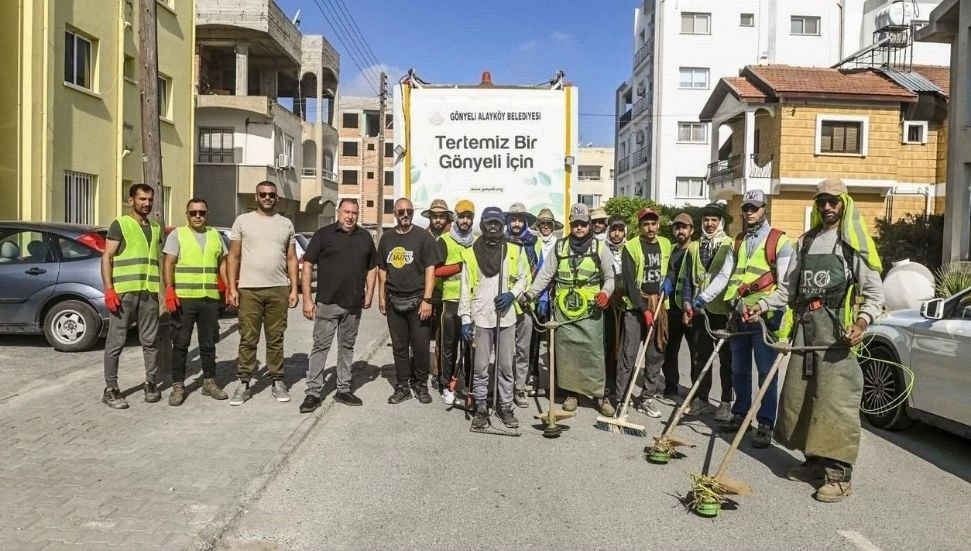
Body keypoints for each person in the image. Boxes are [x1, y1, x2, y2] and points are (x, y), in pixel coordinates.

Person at [775, 179, 884, 502]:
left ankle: (839, 476)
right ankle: (814, 462)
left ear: (844, 204)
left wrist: (862, 322)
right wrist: (760, 305)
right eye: (822, 201)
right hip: (806, 333)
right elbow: (788, 290)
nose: (827, 207)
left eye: (833, 201)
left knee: (835, 403)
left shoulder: (851, 244)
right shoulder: (806, 243)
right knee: (804, 398)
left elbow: (875, 293)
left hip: (837, 338)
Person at [719, 189, 793, 449]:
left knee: (766, 373)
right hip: (740, 317)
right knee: (738, 370)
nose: (749, 212)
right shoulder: (737, 241)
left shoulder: (780, 241)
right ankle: (740, 415)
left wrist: (762, 305)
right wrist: (703, 299)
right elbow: (726, 277)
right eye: (746, 208)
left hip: (766, 320)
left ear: (765, 209)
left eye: (755, 207)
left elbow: (785, 288)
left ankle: (765, 424)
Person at [526, 203, 615, 416]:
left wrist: (605, 293)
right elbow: (545, 275)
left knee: (593, 353)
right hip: (564, 310)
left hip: (591, 311)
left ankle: (600, 395)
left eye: (583, 224)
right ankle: (572, 394)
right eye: (575, 224)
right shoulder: (559, 247)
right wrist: (531, 294)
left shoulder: (600, 248)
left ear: (590, 225)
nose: (579, 228)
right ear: (570, 224)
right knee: (567, 353)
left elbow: (610, 277)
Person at [299, 198, 378, 413]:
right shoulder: (323, 235)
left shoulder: (364, 237)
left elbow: (372, 267)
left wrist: (369, 292)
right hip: (327, 303)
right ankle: (313, 392)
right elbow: (307, 266)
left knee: (347, 347)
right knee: (320, 347)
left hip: (353, 305)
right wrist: (307, 299)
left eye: (354, 212)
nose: (350, 216)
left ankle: (343, 388)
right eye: (346, 212)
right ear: (338, 212)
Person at [226, 181, 299, 406]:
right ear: (255, 197)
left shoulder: (285, 224)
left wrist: (294, 288)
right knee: (248, 337)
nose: (267, 198)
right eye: (263, 194)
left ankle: (277, 380)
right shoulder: (242, 221)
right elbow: (233, 257)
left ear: (277, 198)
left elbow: (291, 258)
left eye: (271, 195)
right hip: (249, 289)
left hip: (278, 289)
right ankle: (244, 383)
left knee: (275, 338)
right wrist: (231, 287)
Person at [459, 207, 530, 429]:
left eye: (497, 223)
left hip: (506, 317)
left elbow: (524, 278)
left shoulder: (514, 251)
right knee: (480, 367)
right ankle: (481, 406)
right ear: (483, 225)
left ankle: (505, 406)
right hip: (481, 317)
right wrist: (465, 318)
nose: (493, 226)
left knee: (505, 366)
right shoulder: (470, 253)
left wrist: (512, 294)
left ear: (502, 225)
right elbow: (464, 289)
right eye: (489, 223)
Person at [100, 183, 163, 409]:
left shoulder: (155, 228)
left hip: (149, 292)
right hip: (124, 292)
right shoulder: (121, 225)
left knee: (150, 341)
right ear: (131, 200)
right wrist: (109, 288)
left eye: (149, 200)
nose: (146, 203)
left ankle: (151, 383)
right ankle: (111, 389)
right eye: (141, 199)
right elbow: (107, 256)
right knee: (116, 341)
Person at [162, 198, 229, 406]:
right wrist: (169, 289)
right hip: (184, 299)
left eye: (202, 212)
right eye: (193, 213)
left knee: (208, 343)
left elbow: (223, 264)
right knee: (181, 343)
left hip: (209, 298)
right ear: (187, 214)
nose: (198, 216)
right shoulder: (178, 235)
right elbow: (169, 263)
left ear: (207, 214)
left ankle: (209, 382)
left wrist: (227, 288)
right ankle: (178, 386)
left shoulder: (215, 235)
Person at [378, 198, 444, 404]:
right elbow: (382, 269)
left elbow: (430, 270)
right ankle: (402, 386)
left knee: (421, 345)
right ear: (394, 213)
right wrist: (381, 296)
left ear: (413, 213)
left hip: (418, 301)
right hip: (394, 301)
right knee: (399, 347)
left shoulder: (423, 237)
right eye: (401, 211)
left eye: (409, 211)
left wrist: (427, 299)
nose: (405, 214)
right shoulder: (386, 238)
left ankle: (421, 385)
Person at [681, 202, 735, 420]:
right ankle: (701, 399)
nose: (710, 224)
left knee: (726, 359)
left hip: (723, 312)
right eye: (706, 220)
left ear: (721, 222)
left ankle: (725, 402)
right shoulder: (695, 246)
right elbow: (687, 278)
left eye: (714, 220)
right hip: (699, 310)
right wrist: (686, 304)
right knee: (700, 357)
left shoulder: (729, 245)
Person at [618, 208, 672, 418]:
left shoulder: (665, 243)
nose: (650, 227)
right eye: (646, 224)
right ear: (640, 226)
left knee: (655, 354)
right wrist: (643, 309)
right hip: (636, 307)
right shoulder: (630, 247)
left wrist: (669, 280)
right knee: (628, 355)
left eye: (653, 223)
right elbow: (630, 283)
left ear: (658, 225)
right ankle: (621, 398)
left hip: (659, 305)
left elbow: (672, 268)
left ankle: (646, 397)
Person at [430, 199, 476, 406]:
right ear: (455, 218)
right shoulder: (445, 241)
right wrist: (458, 267)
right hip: (450, 302)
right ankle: (445, 384)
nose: (465, 220)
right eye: (462, 216)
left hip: (472, 304)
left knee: (469, 347)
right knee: (448, 347)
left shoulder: (477, 242)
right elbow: (435, 271)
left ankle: (468, 385)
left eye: (469, 217)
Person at [505, 202, 540, 408]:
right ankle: (504, 387)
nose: (516, 224)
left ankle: (519, 389)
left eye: (520, 220)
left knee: (523, 350)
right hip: (506, 303)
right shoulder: (501, 241)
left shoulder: (533, 242)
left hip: (527, 302)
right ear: (508, 222)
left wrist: (532, 296)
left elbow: (540, 271)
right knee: (504, 349)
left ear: (525, 222)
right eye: (513, 220)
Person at [527, 208, 564, 395]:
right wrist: (537, 295)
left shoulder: (560, 245)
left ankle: (557, 381)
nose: (546, 227)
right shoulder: (533, 244)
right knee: (534, 339)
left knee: (555, 341)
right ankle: (533, 376)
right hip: (536, 297)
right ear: (539, 226)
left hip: (556, 297)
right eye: (542, 224)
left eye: (549, 223)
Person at [659, 213, 695, 406]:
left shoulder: (695, 249)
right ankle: (671, 388)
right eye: (678, 227)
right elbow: (668, 272)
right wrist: (666, 280)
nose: (680, 231)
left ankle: (696, 395)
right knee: (670, 350)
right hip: (672, 308)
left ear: (691, 230)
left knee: (696, 353)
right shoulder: (671, 250)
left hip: (691, 310)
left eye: (684, 227)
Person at [422, 198, 454, 390]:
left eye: (442, 217)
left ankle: (437, 372)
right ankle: (418, 371)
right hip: (424, 293)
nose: (438, 220)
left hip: (444, 294)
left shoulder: (453, 237)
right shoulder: (422, 236)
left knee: (442, 337)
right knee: (420, 335)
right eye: (435, 216)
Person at [603, 214, 628, 400]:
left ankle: (621, 384)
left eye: (620, 230)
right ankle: (606, 382)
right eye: (614, 230)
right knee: (608, 343)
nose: (617, 234)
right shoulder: (602, 249)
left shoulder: (630, 248)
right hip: (607, 303)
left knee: (624, 345)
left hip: (626, 303)